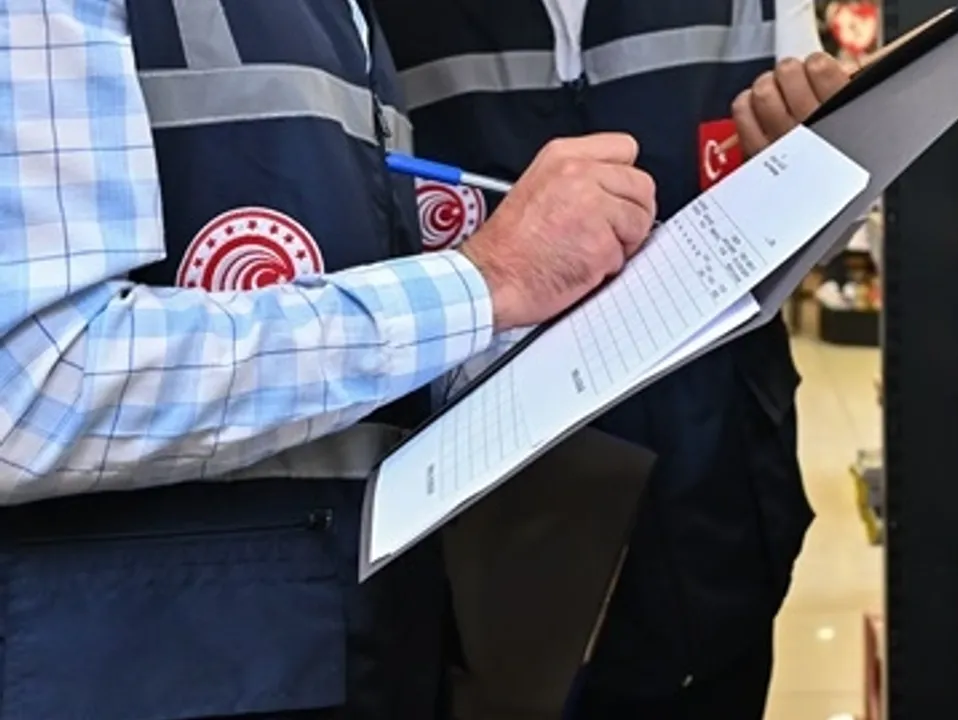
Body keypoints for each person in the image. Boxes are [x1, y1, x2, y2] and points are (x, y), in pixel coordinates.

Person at [0, 1, 655, 717]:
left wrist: (521, 324)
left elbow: (344, 346)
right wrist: (484, 283)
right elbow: (31, 390)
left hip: (341, 650)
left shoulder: (347, 20)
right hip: (147, 661)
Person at [375, 2, 849, 716]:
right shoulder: (377, 20)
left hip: (719, 502)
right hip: (491, 537)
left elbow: (826, 229)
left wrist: (820, 174)